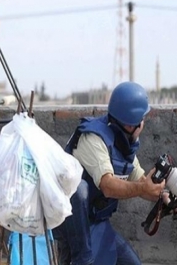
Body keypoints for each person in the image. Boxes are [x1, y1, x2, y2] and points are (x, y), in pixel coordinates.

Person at [52, 81, 166, 265]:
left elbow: (141, 182)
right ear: (132, 124)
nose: (144, 122)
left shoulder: (123, 143)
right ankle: (82, 260)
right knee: (79, 188)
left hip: (97, 224)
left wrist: (163, 196)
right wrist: (142, 187)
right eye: (142, 118)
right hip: (73, 229)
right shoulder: (93, 138)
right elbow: (108, 185)